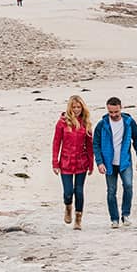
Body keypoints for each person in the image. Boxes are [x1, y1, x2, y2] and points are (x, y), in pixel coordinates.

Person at [93, 96, 137, 228]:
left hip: (124, 161)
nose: (114, 115)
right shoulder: (102, 125)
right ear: (107, 110)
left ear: (121, 108)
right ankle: (114, 219)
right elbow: (96, 144)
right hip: (108, 163)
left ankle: (125, 215)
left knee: (128, 186)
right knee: (111, 191)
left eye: (116, 112)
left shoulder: (129, 122)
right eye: (111, 112)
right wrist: (99, 162)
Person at [51, 95, 94, 230]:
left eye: (78, 107)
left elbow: (90, 145)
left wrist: (91, 163)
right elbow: (56, 143)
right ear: (70, 108)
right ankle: (68, 207)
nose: (76, 110)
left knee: (79, 191)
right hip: (66, 162)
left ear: (82, 107)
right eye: (74, 107)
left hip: (81, 162)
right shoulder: (62, 123)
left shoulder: (85, 123)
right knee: (68, 191)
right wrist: (55, 162)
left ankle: (78, 218)